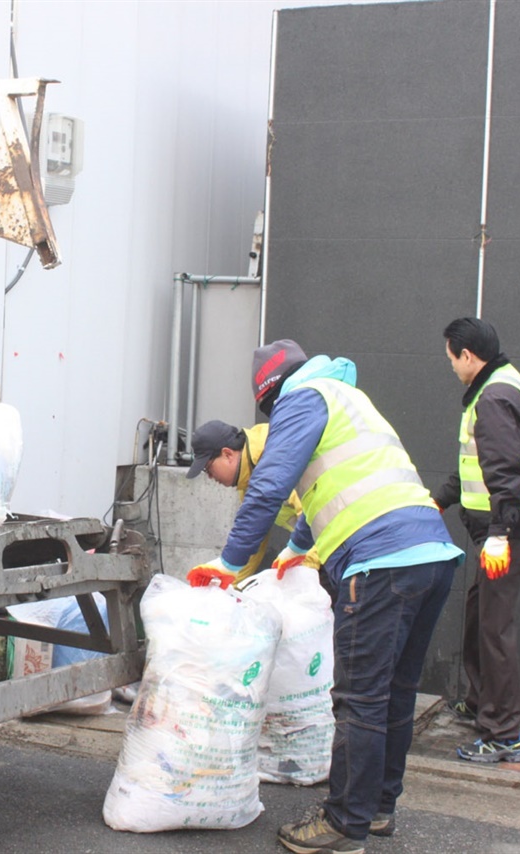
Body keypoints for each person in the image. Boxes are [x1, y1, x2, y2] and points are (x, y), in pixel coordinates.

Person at [193, 339, 462, 854]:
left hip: (380, 563)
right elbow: (334, 484)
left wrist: (227, 564)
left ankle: (343, 826)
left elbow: (272, 485)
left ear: (270, 395)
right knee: (395, 693)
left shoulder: (303, 398)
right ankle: (377, 809)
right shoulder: (346, 398)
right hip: (431, 554)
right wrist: (297, 545)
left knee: (359, 700)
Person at [433, 318, 520, 765]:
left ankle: (505, 735)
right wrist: (437, 501)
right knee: (481, 615)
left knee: (495, 628)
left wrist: (500, 534)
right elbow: (471, 468)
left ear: (467, 356)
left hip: (507, 533)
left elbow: (505, 473)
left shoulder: (495, 397)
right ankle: (483, 705)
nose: (451, 367)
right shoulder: (496, 385)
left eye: (451, 359)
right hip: (501, 530)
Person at [183, 419, 319, 587]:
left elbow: (313, 515)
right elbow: (253, 541)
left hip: (338, 541)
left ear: (227, 454)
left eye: (208, 468)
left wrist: (306, 572)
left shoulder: (272, 459)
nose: (210, 477)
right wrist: (229, 586)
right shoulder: (248, 481)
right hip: (321, 545)